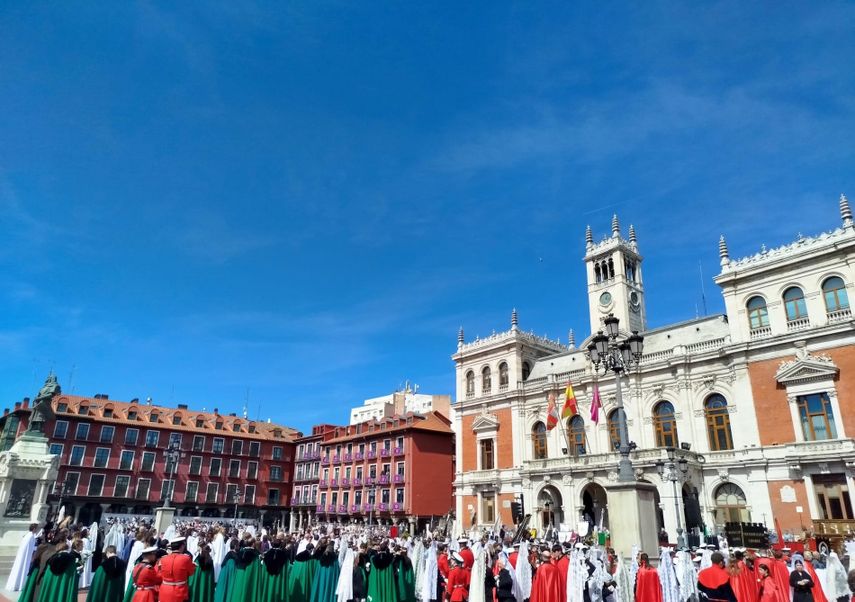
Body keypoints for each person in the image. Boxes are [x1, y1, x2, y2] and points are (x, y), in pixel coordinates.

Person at [158, 537, 197, 602]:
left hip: (165, 590)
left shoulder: (163, 559)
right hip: (179, 591)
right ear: (182, 546)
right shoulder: (186, 558)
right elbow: (191, 573)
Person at [5, 523, 38, 592]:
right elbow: (31, 548)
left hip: (23, 556)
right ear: (34, 529)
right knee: (23, 568)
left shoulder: (27, 535)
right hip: (26, 557)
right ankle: (20, 585)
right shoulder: (31, 536)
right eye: (36, 528)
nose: (37, 530)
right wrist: (37, 548)